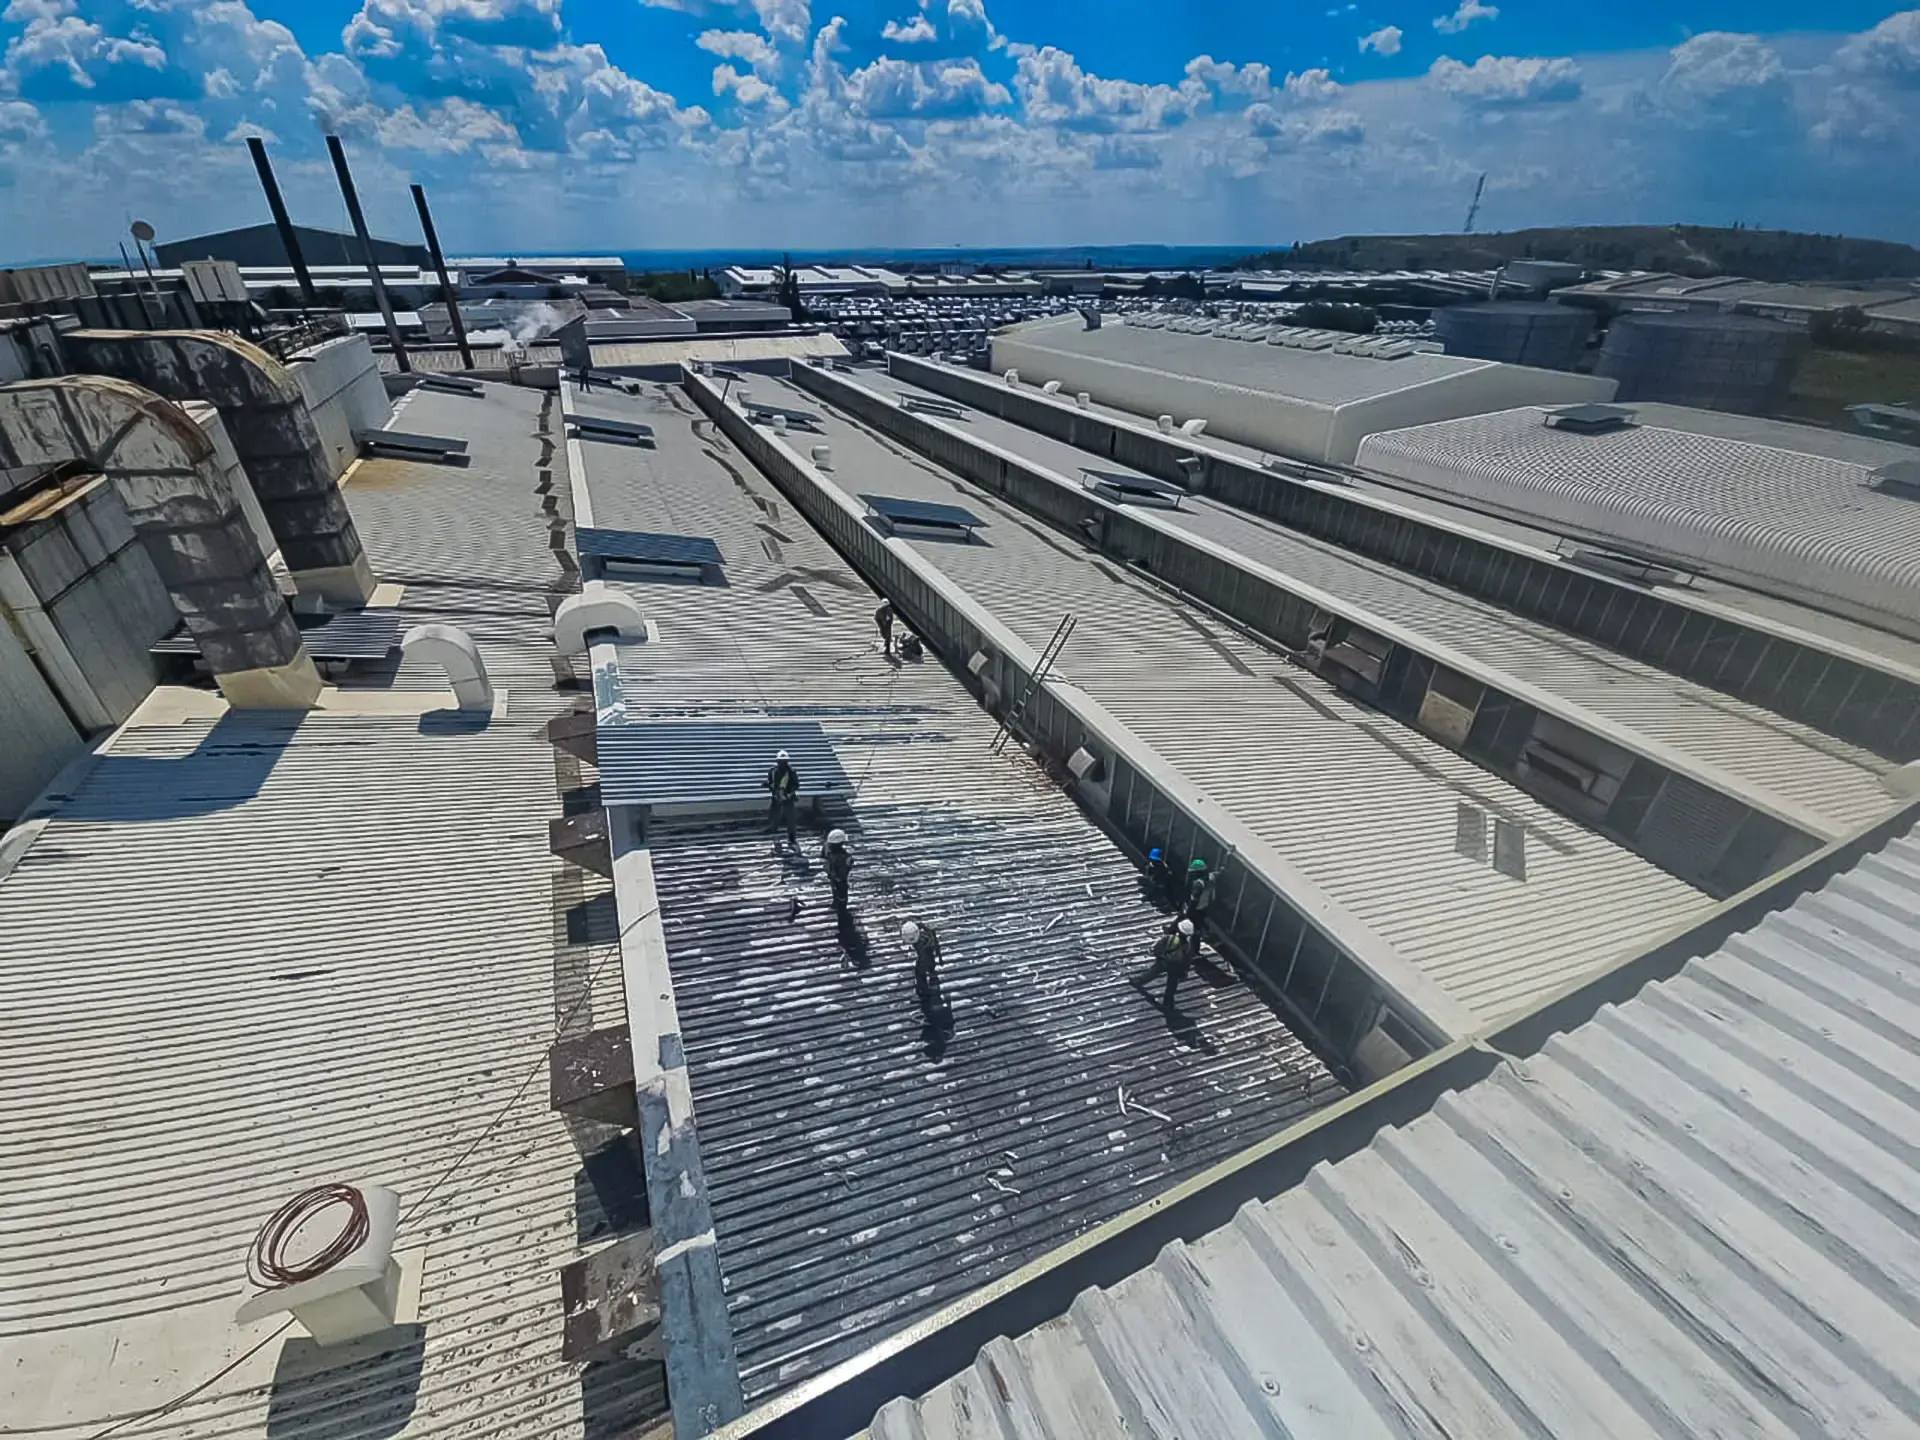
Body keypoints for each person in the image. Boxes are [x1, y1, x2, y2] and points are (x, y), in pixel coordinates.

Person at [1133, 918, 1195, 1009]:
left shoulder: (1170, 938)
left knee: (1153, 972)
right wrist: (1184, 971)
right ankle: (1168, 1001)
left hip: (1164, 961)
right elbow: (1187, 960)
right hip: (1176, 967)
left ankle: (1138, 981)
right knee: (1172, 984)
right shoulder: (1188, 946)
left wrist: (1158, 955)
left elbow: (1158, 947)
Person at [901, 920, 945, 1012]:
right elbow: (935, 943)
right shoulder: (925, 932)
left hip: (926, 956)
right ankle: (933, 981)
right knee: (929, 968)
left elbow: (925, 955)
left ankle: (924, 993)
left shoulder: (921, 943)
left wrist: (938, 957)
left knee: (919, 972)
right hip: (929, 955)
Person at [1180, 857, 1217, 951]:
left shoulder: (1198, 885)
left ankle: (1188, 948)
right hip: (1205, 907)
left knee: (1190, 928)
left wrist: (1187, 913)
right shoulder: (1211, 877)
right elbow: (1220, 872)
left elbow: (1193, 901)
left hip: (1195, 909)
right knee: (1198, 928)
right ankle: (1197, 947)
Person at [765, 749, 800, 847]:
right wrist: (768, 786)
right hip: (776, 798)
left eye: (784, 761)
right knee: (773, 816)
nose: (782, 763)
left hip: (788, 798)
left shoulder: (791, 771)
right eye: (780, 761)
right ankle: (774, 834)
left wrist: (788, 794)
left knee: (790, 819)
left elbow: (796, 784)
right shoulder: (772, 771)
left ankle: (792, 839)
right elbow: (771, 783)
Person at [824, 828, 853, 912]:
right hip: (836, 878)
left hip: (840, 879)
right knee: (837, 891)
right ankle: (837, 904)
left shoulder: (843, 856)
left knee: (841, 894)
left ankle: (841, 908)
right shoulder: (835, 854)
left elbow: (845, 869)